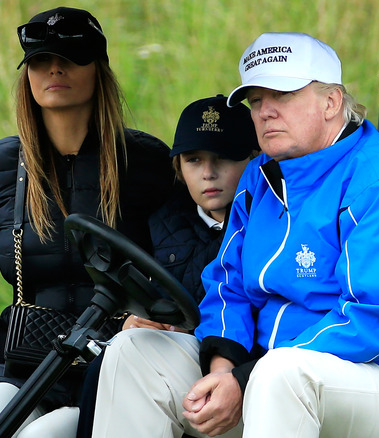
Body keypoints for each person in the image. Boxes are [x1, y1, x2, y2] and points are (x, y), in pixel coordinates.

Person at [92, 32, 379, 438]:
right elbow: (229, 288)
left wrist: (244, 379)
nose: (264, 112)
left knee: (281, 374)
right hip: (271, 378)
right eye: (257, 100)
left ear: (331, 102)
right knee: (134, 353)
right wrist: (224, 369)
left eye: (283, 95)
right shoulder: (259, 179)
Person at [0, 7, 175, 437]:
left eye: (70, 57)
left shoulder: (149, 164)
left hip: (119, 370)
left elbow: (184, 275)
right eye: (40, 60)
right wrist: (19, 341)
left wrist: (141, 329)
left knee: (48, 433)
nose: (54, 68)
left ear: (99, 70)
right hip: (21, 370)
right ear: (27, 76)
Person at [75, 94, 259, 437]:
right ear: (178, 167)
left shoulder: (270, 227)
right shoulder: (162, 223)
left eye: (224, 158)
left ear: (255, 159)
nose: (208, 173)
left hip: (244, 375)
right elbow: (148, 295)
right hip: (172, 365)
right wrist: (135, 321)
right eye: (193, 160)